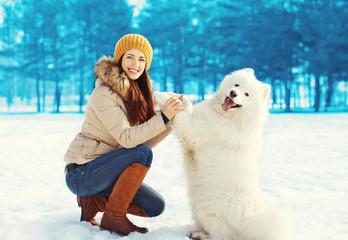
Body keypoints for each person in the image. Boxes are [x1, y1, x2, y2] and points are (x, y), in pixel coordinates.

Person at [63, 33, 184, 236]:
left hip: (107, 174)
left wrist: (170, 121)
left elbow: (140, 143)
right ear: (119, 59)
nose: (135, 63)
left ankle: (92, 201)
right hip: (82, 174)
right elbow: (129, 140)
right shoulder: (104, 93)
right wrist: (163, 118)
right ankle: (113, 218)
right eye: (130, 57)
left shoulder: (136, 95)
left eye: (141, 59)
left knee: (155, 206)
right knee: (142, 153)